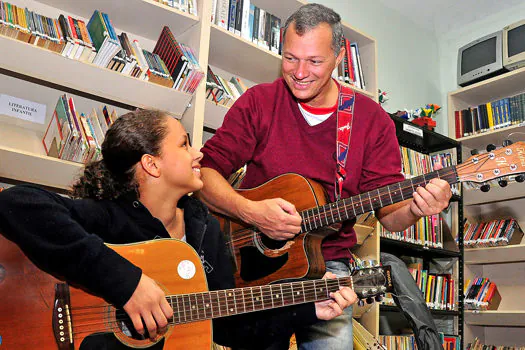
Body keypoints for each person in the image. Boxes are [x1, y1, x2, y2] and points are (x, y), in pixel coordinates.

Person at [197, 3, 452, 350]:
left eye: (314, 61)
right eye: (290, 58)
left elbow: (390, 218)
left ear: (338, 60)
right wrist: (251, 212)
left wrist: (418, 209)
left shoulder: (371, 120)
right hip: (250, 259)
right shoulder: (259, 101)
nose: (300, 72)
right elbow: (205, 173)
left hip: (328, 269)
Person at [0, 109, 357, 349]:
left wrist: (309, 309)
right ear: (151, 165)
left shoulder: (206, 229)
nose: (197, 153)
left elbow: (227, 326)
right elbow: (15, 202)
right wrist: (128, 284)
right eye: (185, 143)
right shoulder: (110, 218)